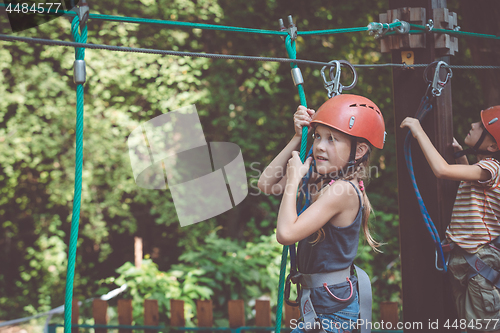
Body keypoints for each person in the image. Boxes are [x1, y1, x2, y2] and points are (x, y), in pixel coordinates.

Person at [258, 94, 385, 333]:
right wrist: (297, 138)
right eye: (317, 136)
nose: (319, 146)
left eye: (332, 139)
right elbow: (266, 184)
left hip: (332, 315)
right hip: (321, 307)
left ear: (359, 150)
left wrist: (295, 179)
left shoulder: (342, 191)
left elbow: (286, 233)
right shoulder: (325, 179)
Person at [401, 105, 500, 333]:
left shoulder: (492, 168)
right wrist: (463, 158)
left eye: (481, 126)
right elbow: (474, 189)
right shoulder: (481, 171)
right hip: (467, 260)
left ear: (493, 146)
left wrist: (418, 131)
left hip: (478, 260)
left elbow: (442, 170)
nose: (473, 125)